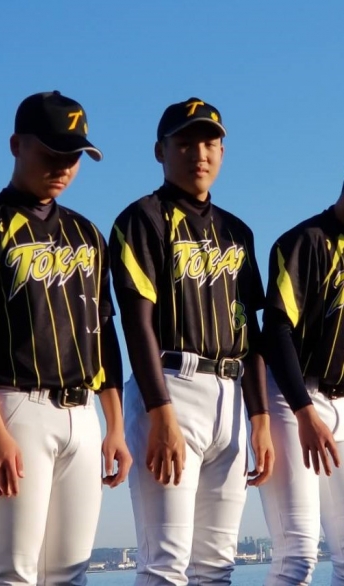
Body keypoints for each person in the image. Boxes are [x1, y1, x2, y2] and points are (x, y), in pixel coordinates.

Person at [0, 90, 132, 586]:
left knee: (70, 576)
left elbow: (104, 330)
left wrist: (115, 425)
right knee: (12, 574)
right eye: (51, 151)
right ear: (17, 145)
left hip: (83, 413)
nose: (63, 166)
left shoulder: (88, 234)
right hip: (13, 408)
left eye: (74, 155)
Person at [109, 97, 274, 585]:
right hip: (170, 386)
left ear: (222, 151)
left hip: (231, 396)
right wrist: (161, 414)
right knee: (166, 564)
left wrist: (261, 418)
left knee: (217, 566)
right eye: (184, 143)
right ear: (160, 151)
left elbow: (249, 330)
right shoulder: (141, 220)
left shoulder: (237, 232)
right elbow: (136, 325)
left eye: (209, 143)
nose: (199, 154)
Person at [259, 188, 344, 585]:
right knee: (297, 553)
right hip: (292, 395)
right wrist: (303, 412)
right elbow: (276, 331)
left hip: (340, 398)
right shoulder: (305, 241)